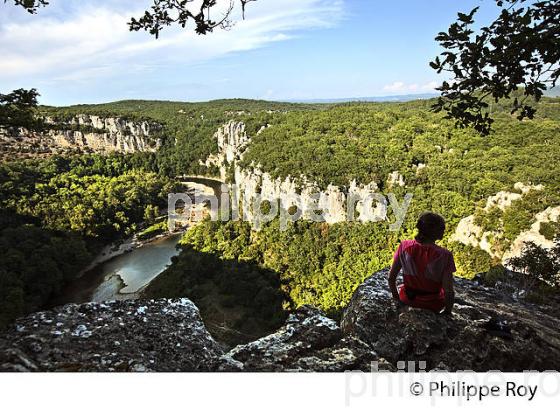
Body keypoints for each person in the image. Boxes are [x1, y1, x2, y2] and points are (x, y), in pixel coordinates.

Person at [388, 212, 456, 314]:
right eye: (442, 228)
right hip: (433, 304)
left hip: (407, 299)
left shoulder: (404, 246)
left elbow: (391, 278)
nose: (444, 230)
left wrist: (396, 299)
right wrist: (447, 312)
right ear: (434, 232)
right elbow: (448, 291)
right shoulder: (445, 256)